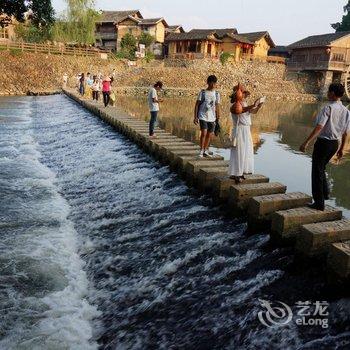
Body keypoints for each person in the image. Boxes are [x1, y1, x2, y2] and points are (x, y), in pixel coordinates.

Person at [300, 83, 350, 211]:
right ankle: (326, 193)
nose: (327, 93)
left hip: (323, 143)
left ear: (333, 93)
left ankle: (319, 203)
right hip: (334, 144)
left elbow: (319, 127)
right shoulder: (346, 111)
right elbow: (345, 132)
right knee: (321, 168)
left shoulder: (328, 108)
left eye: (329, 91)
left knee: (316, 171)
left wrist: (306, 142)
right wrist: (342, 149)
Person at [228, 86, 263, 183]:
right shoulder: (235, 106)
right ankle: (237, 174)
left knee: (245, 151)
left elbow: (252, 111)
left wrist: (258, 107)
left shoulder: (245, 104)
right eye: (243, 93)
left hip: (246, 130)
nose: (244, 95)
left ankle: (241, 172)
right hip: (239, 130)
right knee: (239, 151)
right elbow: (241, 110)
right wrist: (253, 104)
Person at [194, 75, 221, 157]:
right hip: (202, 116)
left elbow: (217, 106)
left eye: (214, 83)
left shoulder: (216, 94)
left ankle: (205, 150)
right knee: (204, 133)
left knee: (209, 134)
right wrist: (195, 117)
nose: (213, 85)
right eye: (211, 83)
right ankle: (201, 151)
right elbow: (197, 105)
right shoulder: (202, 93)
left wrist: (218, 117)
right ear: (208, 83)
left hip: (212, 117)